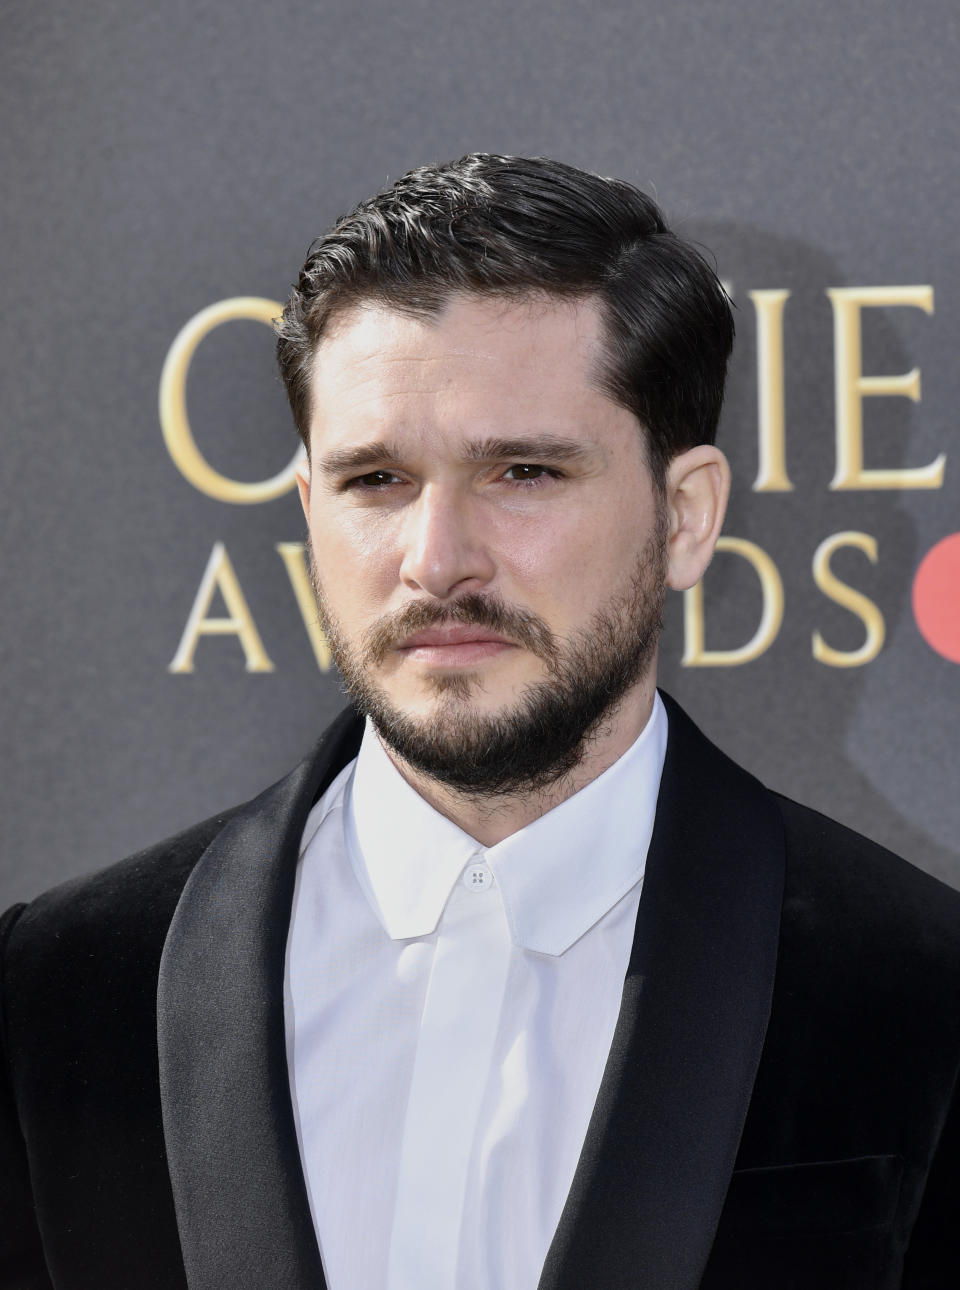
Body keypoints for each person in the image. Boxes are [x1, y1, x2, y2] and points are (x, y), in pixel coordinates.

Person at [1, 154, 957, 1290]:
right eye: (376, 481)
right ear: (309, 510)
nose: (437, 561)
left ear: (687, 516)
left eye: (523, 471)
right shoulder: (53, 998)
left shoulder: (920, 996)